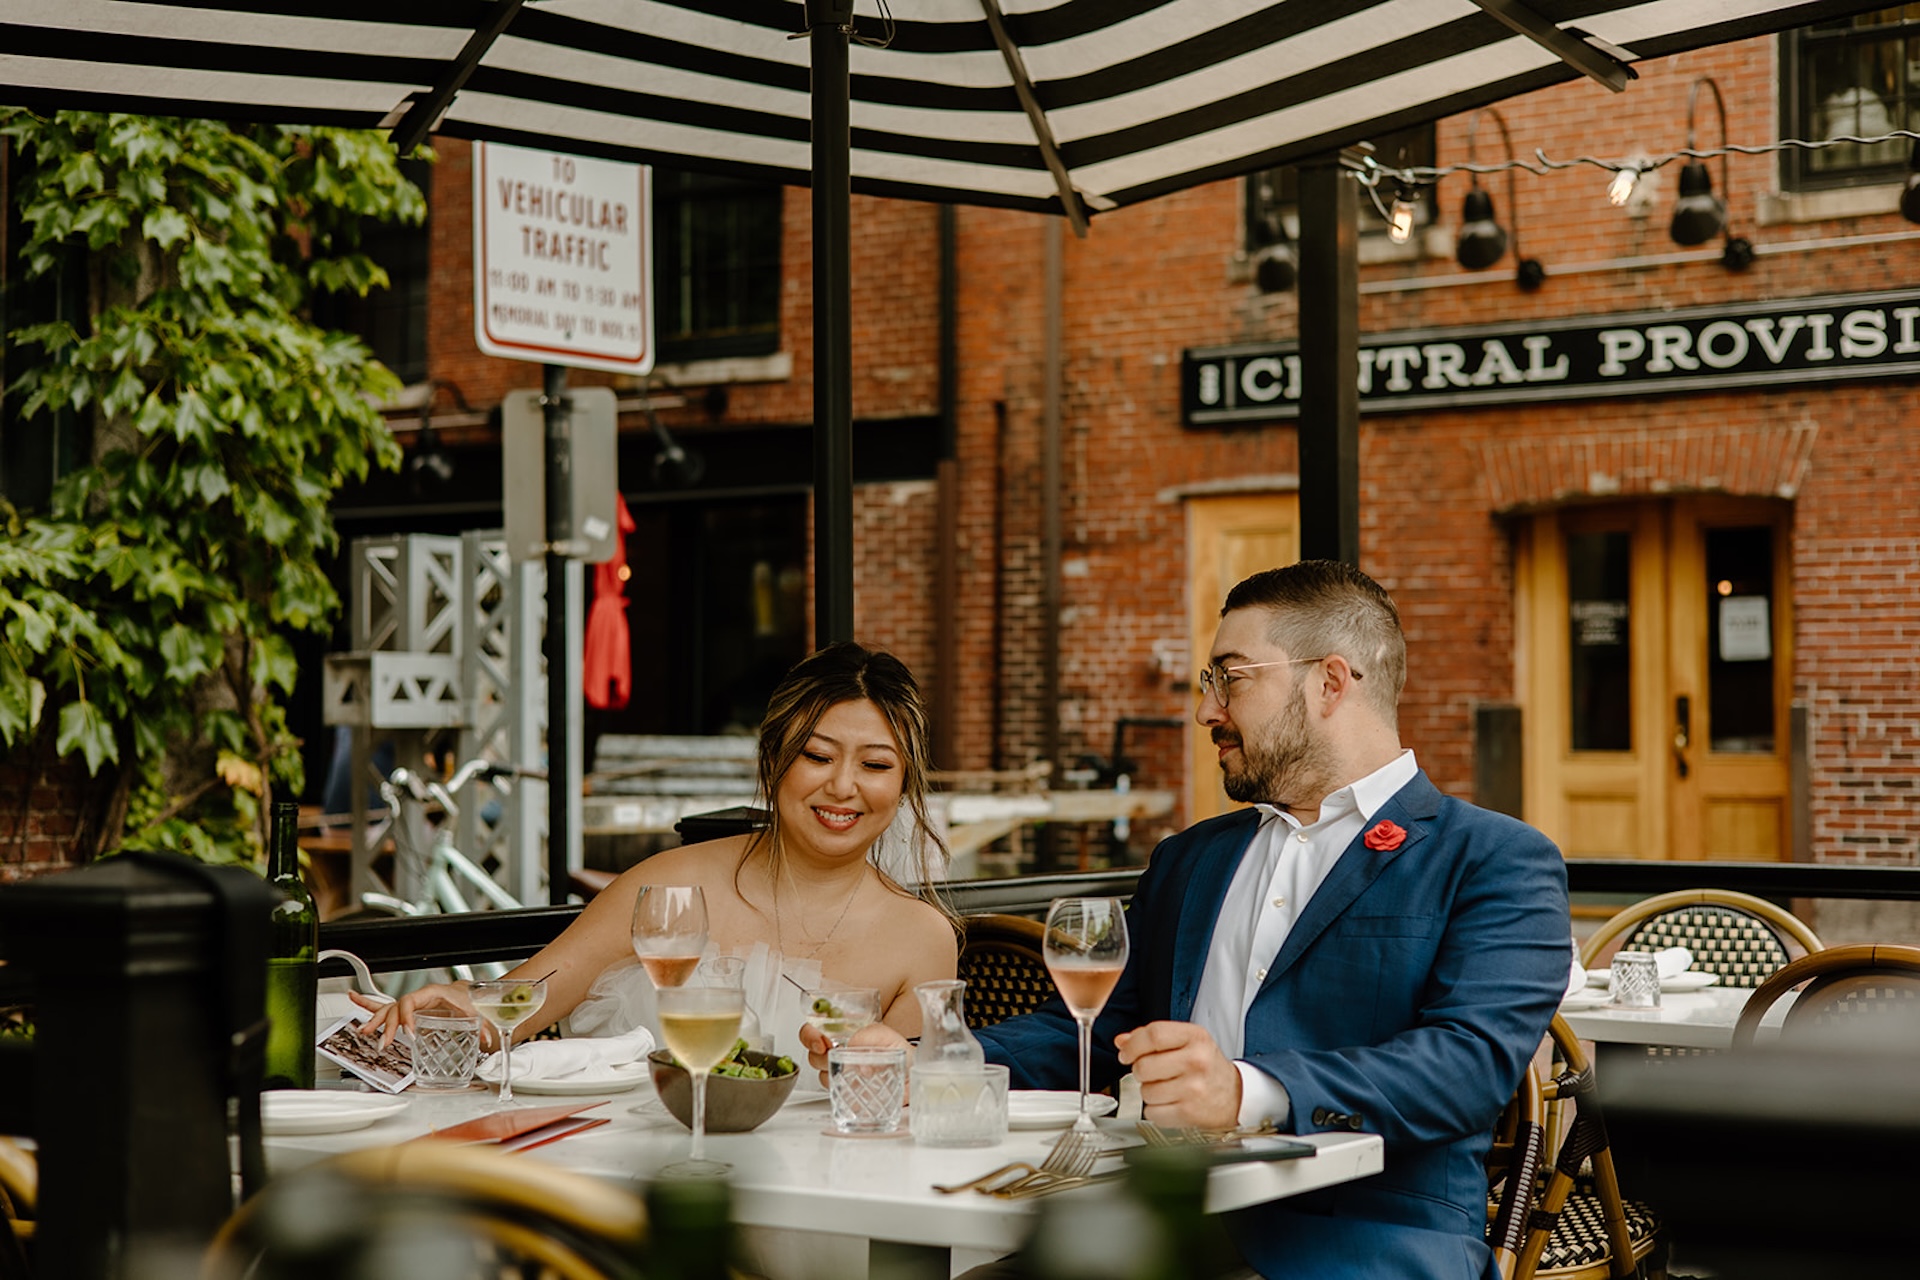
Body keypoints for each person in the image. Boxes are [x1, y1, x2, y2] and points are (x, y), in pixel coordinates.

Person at [805, 561, 1569, 1280]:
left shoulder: (1494, 859)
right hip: (1143, 1221)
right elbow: (1101, 1030)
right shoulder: (1191, 858)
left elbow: (1467, 1068)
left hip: (1356, 1241)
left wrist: (1246, 1091)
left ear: (1331, 682)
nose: (1207, 708)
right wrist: (925, 1059)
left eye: (1230, 679)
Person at [356, 641, 959, 1054]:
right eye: (818, 756)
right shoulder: (668, 888)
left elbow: (901, 1113)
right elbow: (525, 999)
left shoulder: (921, 939)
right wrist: (457, 1003)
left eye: (876, 765)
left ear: (903, 782)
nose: (843, 787)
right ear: (775, 759)